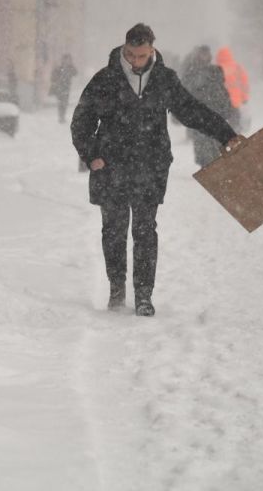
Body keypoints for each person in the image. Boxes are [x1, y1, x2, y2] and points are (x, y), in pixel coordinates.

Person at [71, 24, 244, 316]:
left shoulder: (164, 79)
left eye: (141, 56)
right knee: (113, 230)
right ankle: (116, 289)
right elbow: (82, 121)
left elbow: (192, 111)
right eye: (131, 55)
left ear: (152, 50)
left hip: (149, 167)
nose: (136, 61)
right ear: (124, 49)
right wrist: (90, 156)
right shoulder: (106, 79)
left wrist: (226, 134)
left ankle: (143, 295)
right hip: (110, 166)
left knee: (145, 230)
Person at [181, 45, 238, 167]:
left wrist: (229, 108)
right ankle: (207, 165)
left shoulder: (215, 70)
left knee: (216, 142)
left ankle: (214, 165)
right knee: (203, 142)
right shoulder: (192, 72)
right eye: (202, 54)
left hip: (215, 111)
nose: (204, 56)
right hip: (200, 113)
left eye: (206, 54)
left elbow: (222, 90)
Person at [214, 46, 250, 130]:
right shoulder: (237, 67)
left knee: (220, 122)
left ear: (218, 56)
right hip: (235, 101)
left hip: (221, 101)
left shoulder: (216, 69)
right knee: (235, 122)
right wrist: (245, 97)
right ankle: (236, 136)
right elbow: (244, 84)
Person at [50, 53, 78, 123]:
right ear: (63, 60)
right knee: (60, 102)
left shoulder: (70, 67)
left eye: (69, 59)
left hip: (67, 88)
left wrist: (71, 65)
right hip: (59, 87)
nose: (67, 61)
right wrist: (56, 81)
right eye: (66, 59)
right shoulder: (59, 67)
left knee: (65, 102)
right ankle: (61, 117)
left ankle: (62, 116)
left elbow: (76, 73)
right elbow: (53, 76)